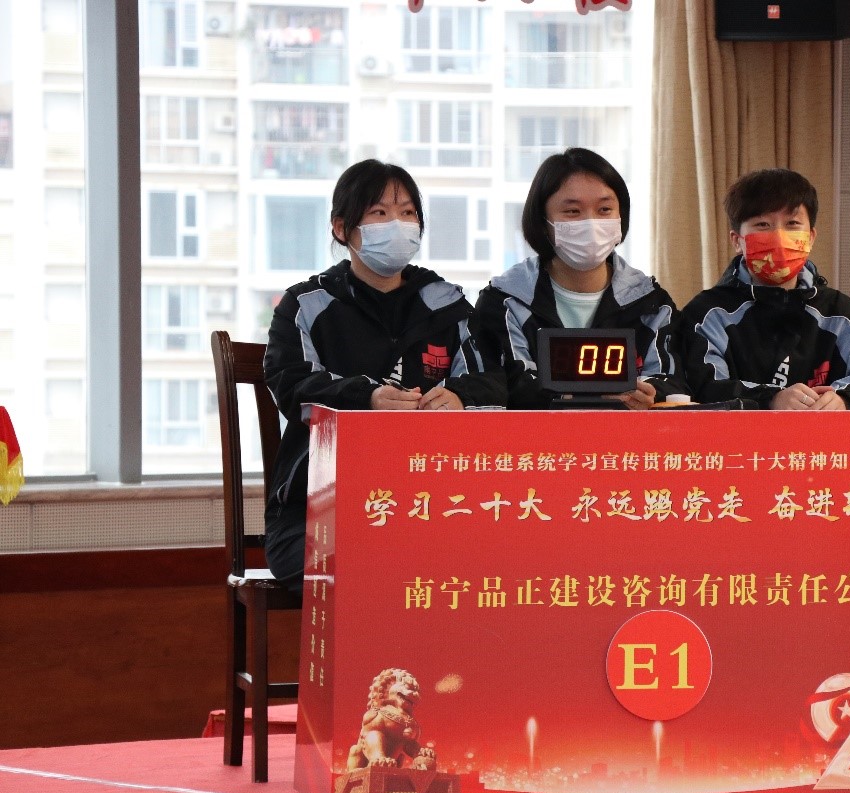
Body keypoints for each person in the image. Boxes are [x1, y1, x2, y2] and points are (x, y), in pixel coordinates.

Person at [263, 159, 505, 591]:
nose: (398, 224)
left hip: (429, 505)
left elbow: (493, 380)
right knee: (377, 568)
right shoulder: (306, 306)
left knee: (484, 562)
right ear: (342, 228)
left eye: (408, 213)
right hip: (317, 510)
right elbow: (291, 386)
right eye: (380, 213)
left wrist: (459, 397)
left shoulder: (445, 305)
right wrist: (367, 398)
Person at [674, 168, 850, 410]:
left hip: (826, 435)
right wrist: (771, 399)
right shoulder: (707, 314)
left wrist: (844, 399)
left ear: (811, 237)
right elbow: (701, 388)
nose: (779, 237)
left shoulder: (841, 312)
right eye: (763, 224)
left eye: (792, 224)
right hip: (740, 436)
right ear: (737, 240)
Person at [473, 147, 682, 409]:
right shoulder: (505, 301)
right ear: (543, 221)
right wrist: (585, 399)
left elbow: (672, 380)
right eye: (572, 212)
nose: (591, 224)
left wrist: (650, 394)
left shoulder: (651, 303)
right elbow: (503, 386)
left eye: (604, 209)